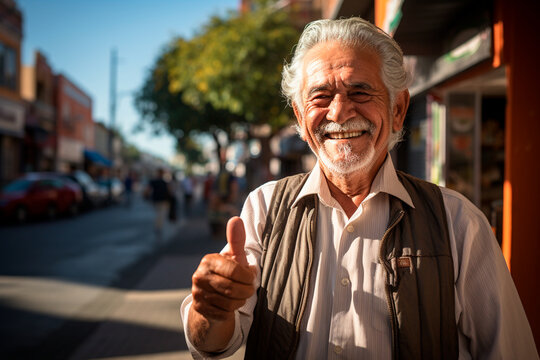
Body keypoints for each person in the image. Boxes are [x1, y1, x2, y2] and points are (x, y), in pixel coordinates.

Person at [181, 17, 538, 359]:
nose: (339, 111)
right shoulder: (264, 207)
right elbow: (213, 344)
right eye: (320, 96)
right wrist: (212, 309)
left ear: (398, 109)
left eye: (360, 91)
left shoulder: (458, 221)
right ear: (301, 119)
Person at [146, 168, 171, 237]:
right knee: (161, 214)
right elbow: (169, 191)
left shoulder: (155, 181)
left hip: (156, 200)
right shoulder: (164, 182)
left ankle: (158, 226)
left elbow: (148, 190)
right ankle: (158, 227)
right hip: (162, 200)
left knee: (158, 214)